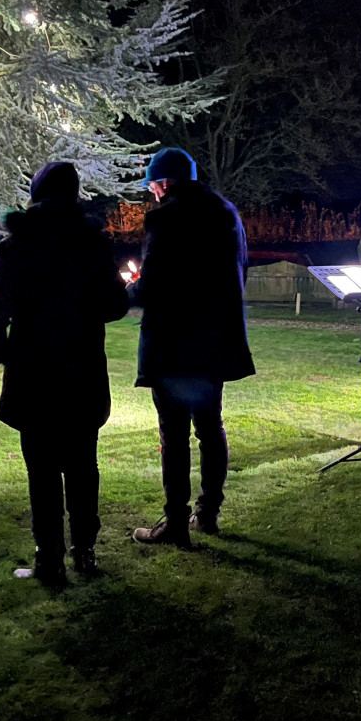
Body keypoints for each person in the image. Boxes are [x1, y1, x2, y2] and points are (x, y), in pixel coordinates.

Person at [0, 163, 130, 584]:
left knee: (41, 469)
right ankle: (85, 551)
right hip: (81, 369)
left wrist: (6, 353)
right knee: (83, 465)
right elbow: (115, 307)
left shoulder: (18, 245)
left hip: (34, 372)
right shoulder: (93, 245)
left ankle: (50, 558)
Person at [127, 147, 255, 547]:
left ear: (163, 183)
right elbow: (239, 270)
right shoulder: (226, 212)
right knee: (210, 427)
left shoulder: (167, 216)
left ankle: (176, 522)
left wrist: (127, 288)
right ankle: (208, 513)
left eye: (153, 187)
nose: (153, 194)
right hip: (215, 340)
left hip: (174, 342)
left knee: (174, 433)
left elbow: (155, 285)